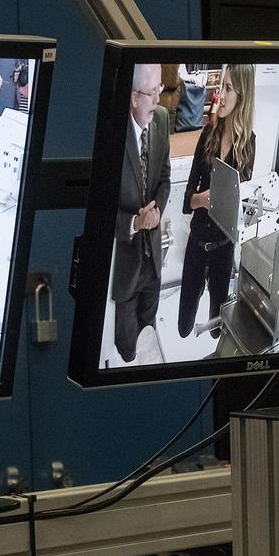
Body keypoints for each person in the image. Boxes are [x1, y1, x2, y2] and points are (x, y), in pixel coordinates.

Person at [177, 63, 256, 338]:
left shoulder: (248, 146)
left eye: (228, 88)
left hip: (224, 249)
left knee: (215, 331)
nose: (219, 95)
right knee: (184, 326)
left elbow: (240, 207)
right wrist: (203, 199)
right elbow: (187, 201)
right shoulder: (207, 136)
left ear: (242, 97)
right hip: (196, 245)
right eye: (221, 86)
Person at [112, 63, 171, 362]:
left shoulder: (161, 119)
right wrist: (135, 222)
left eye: (159, 90)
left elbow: (165, 177)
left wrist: (157, 210)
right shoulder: (112, 134)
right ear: (134, 97)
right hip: (126, 266)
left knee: (149, 334)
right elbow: (101, 209)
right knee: (128, 350)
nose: (159, 100)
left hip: (154, 263)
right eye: (152, 93)